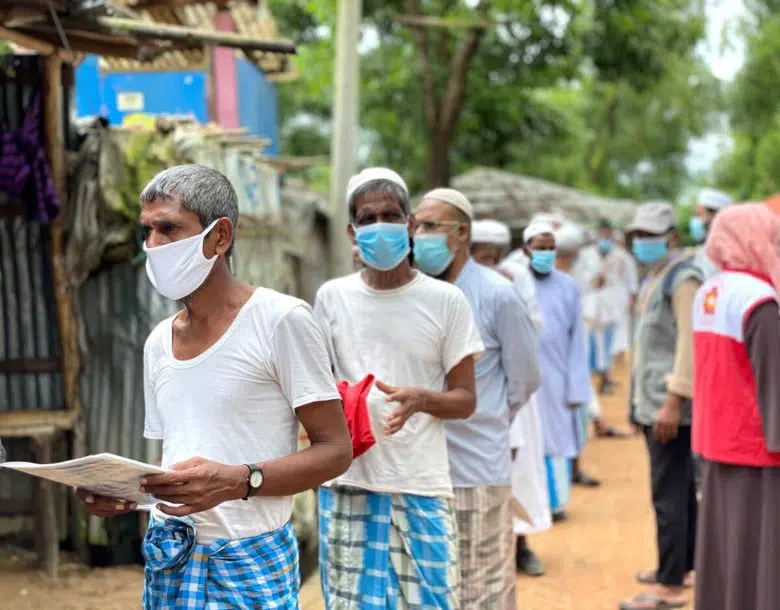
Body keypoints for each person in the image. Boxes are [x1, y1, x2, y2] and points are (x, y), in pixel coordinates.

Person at [76, 165, 353, 609]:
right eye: (146, 231)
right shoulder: (158, 343)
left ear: (219, 236)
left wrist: (239, 481)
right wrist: (123, 490)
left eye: (168, 228)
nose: (153, 245)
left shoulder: (281, 320)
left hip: (250, 559)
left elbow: (337, 450)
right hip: (170, 556)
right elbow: (174, 458)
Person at [314, 169, 484, 609]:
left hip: (420, 483)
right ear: (353, 231)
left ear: (409, 224)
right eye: (367, 219)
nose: (379, 226)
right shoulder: (331, 298)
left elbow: (465, 399)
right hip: (348, 482)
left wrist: (422, 399)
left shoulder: (446, 301)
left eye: (390, 215)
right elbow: (315, 388)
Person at [414, 197, 539, 607]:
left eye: (432, 227)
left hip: (477, 470)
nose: (420, 236)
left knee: (484, 588)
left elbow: (525, 377)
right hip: (420, 472)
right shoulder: (415, 293)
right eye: (417, 226)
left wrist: (488, 415)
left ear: (461, 233)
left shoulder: (498, 295)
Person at [692, 204, 780, 610]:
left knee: (726, 553)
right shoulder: (760, 302)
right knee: (762, 556)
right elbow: (774, 382)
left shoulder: (708, 291)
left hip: (716, 440)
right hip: (759, 448)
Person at [620, 202, 703, 610]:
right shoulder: (656, 276)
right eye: (638, 235)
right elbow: (648, 349)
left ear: (672, 237)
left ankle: (670, 587)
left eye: (651, 236)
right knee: (680, 491)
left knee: (668, 495)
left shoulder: (682, 280)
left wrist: (672, 402)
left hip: (671, 407)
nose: (642, 242)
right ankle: (682, 566)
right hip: (653, 403)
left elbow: (689, 345)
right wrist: (637, 405)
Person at [472, 219, 551, 577]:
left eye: (493, 255)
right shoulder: (453, 280)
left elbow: (532, 329)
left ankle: (521, 546)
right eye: (480, 255)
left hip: (513, 394)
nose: (487, 261)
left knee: (518, 471)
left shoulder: (516, 278)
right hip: (470, 392)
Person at [524, 221, 592, 522]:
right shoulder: (516, 282)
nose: (547, 254)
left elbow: (577, 341)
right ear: (526, 249)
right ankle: (531, 503)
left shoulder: (568, 286)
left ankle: (556, 503)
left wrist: (577, 387)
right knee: (528, 440)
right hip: (525, 376)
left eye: (551, 249)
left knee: (558, 438)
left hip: (558, 373)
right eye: (540, 248)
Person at [689, 187, 734, 279]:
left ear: (715, 216)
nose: (695, 219)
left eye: (698, 214)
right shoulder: (707, 247)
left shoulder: (724, 250)